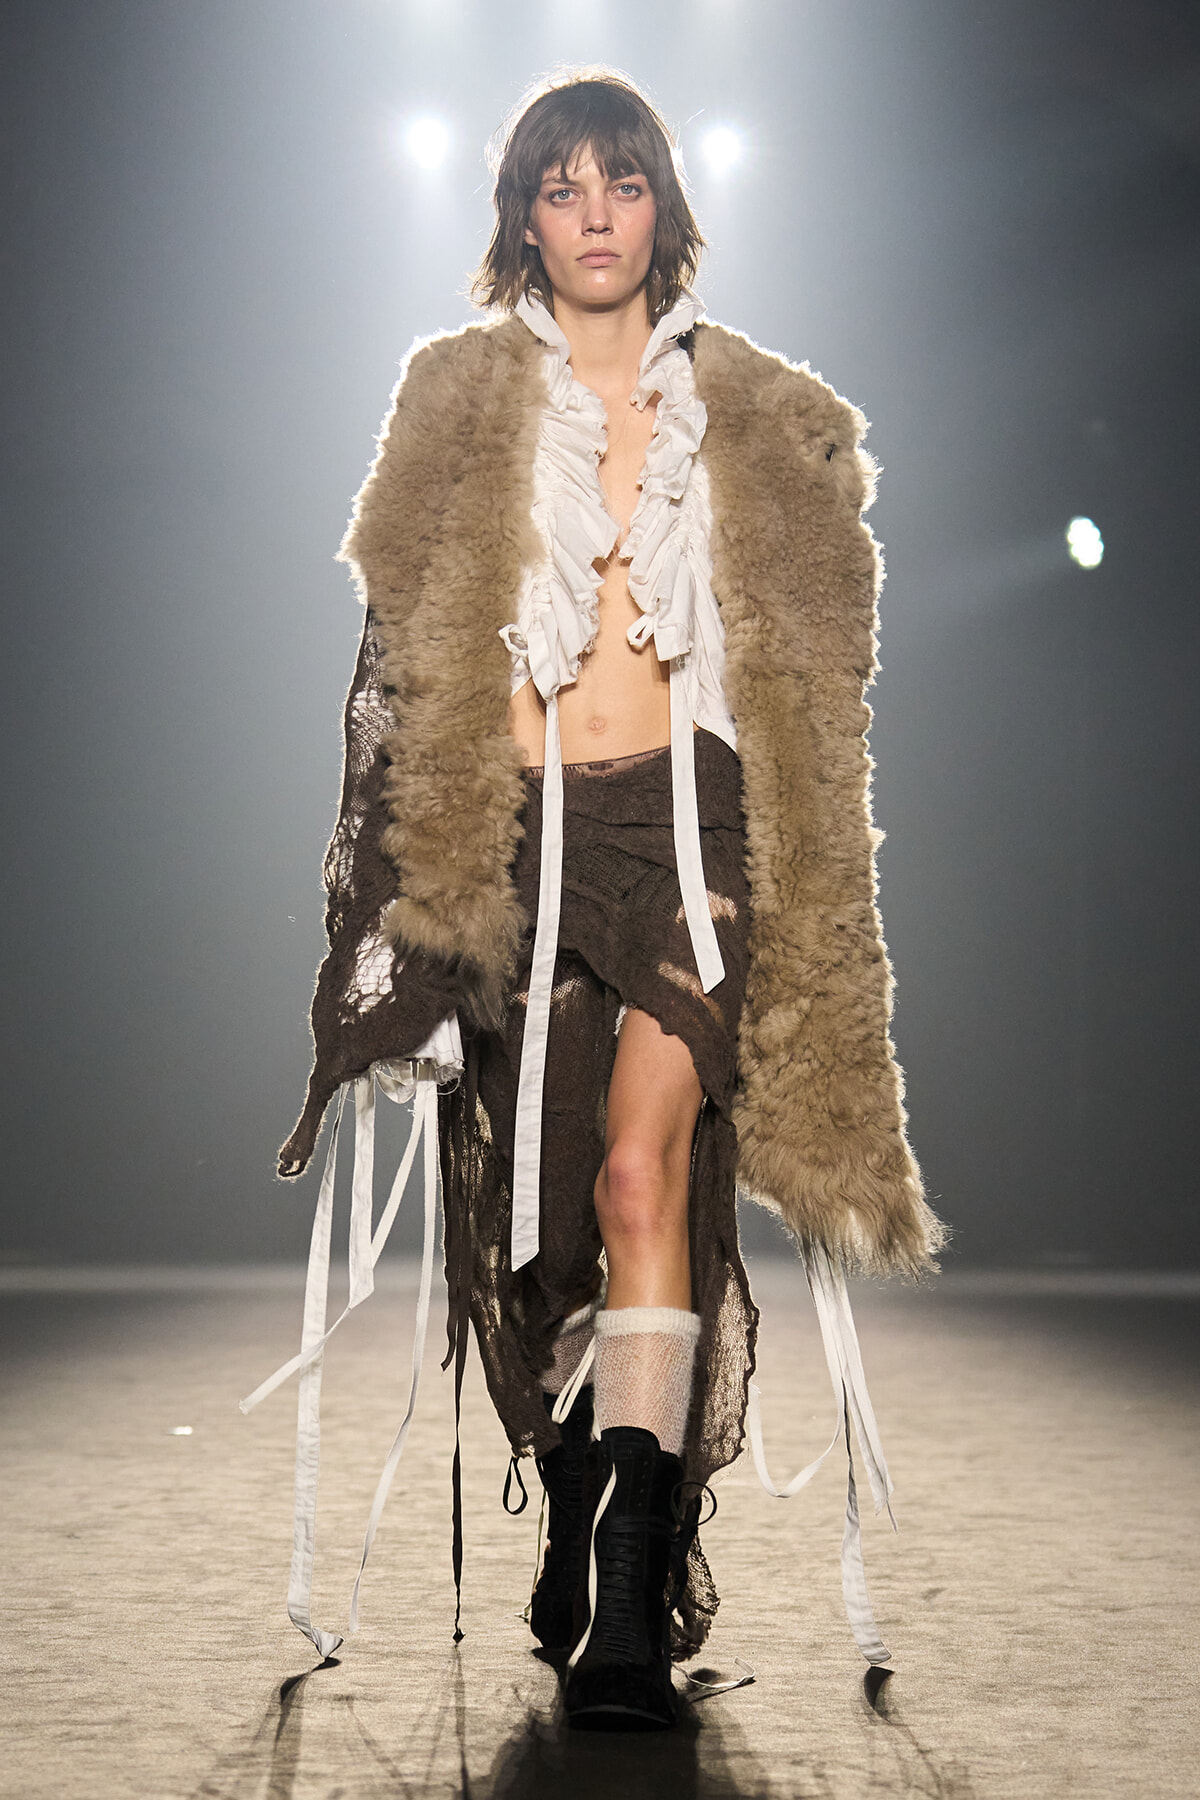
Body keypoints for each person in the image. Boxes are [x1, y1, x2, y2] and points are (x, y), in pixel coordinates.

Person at [271, 69, 942, 1732]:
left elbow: (815, 679)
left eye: (620, 185)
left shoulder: (761, 421)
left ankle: (630, 1603)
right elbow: (399, 669)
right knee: (548, 1215)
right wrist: (400, 911)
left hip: (691, 844)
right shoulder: (456, 402)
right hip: (515, 846)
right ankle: (576, 1477)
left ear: (663, 210)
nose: (590, 215)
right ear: (522, 218)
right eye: (559, 187)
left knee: (648, 1171)